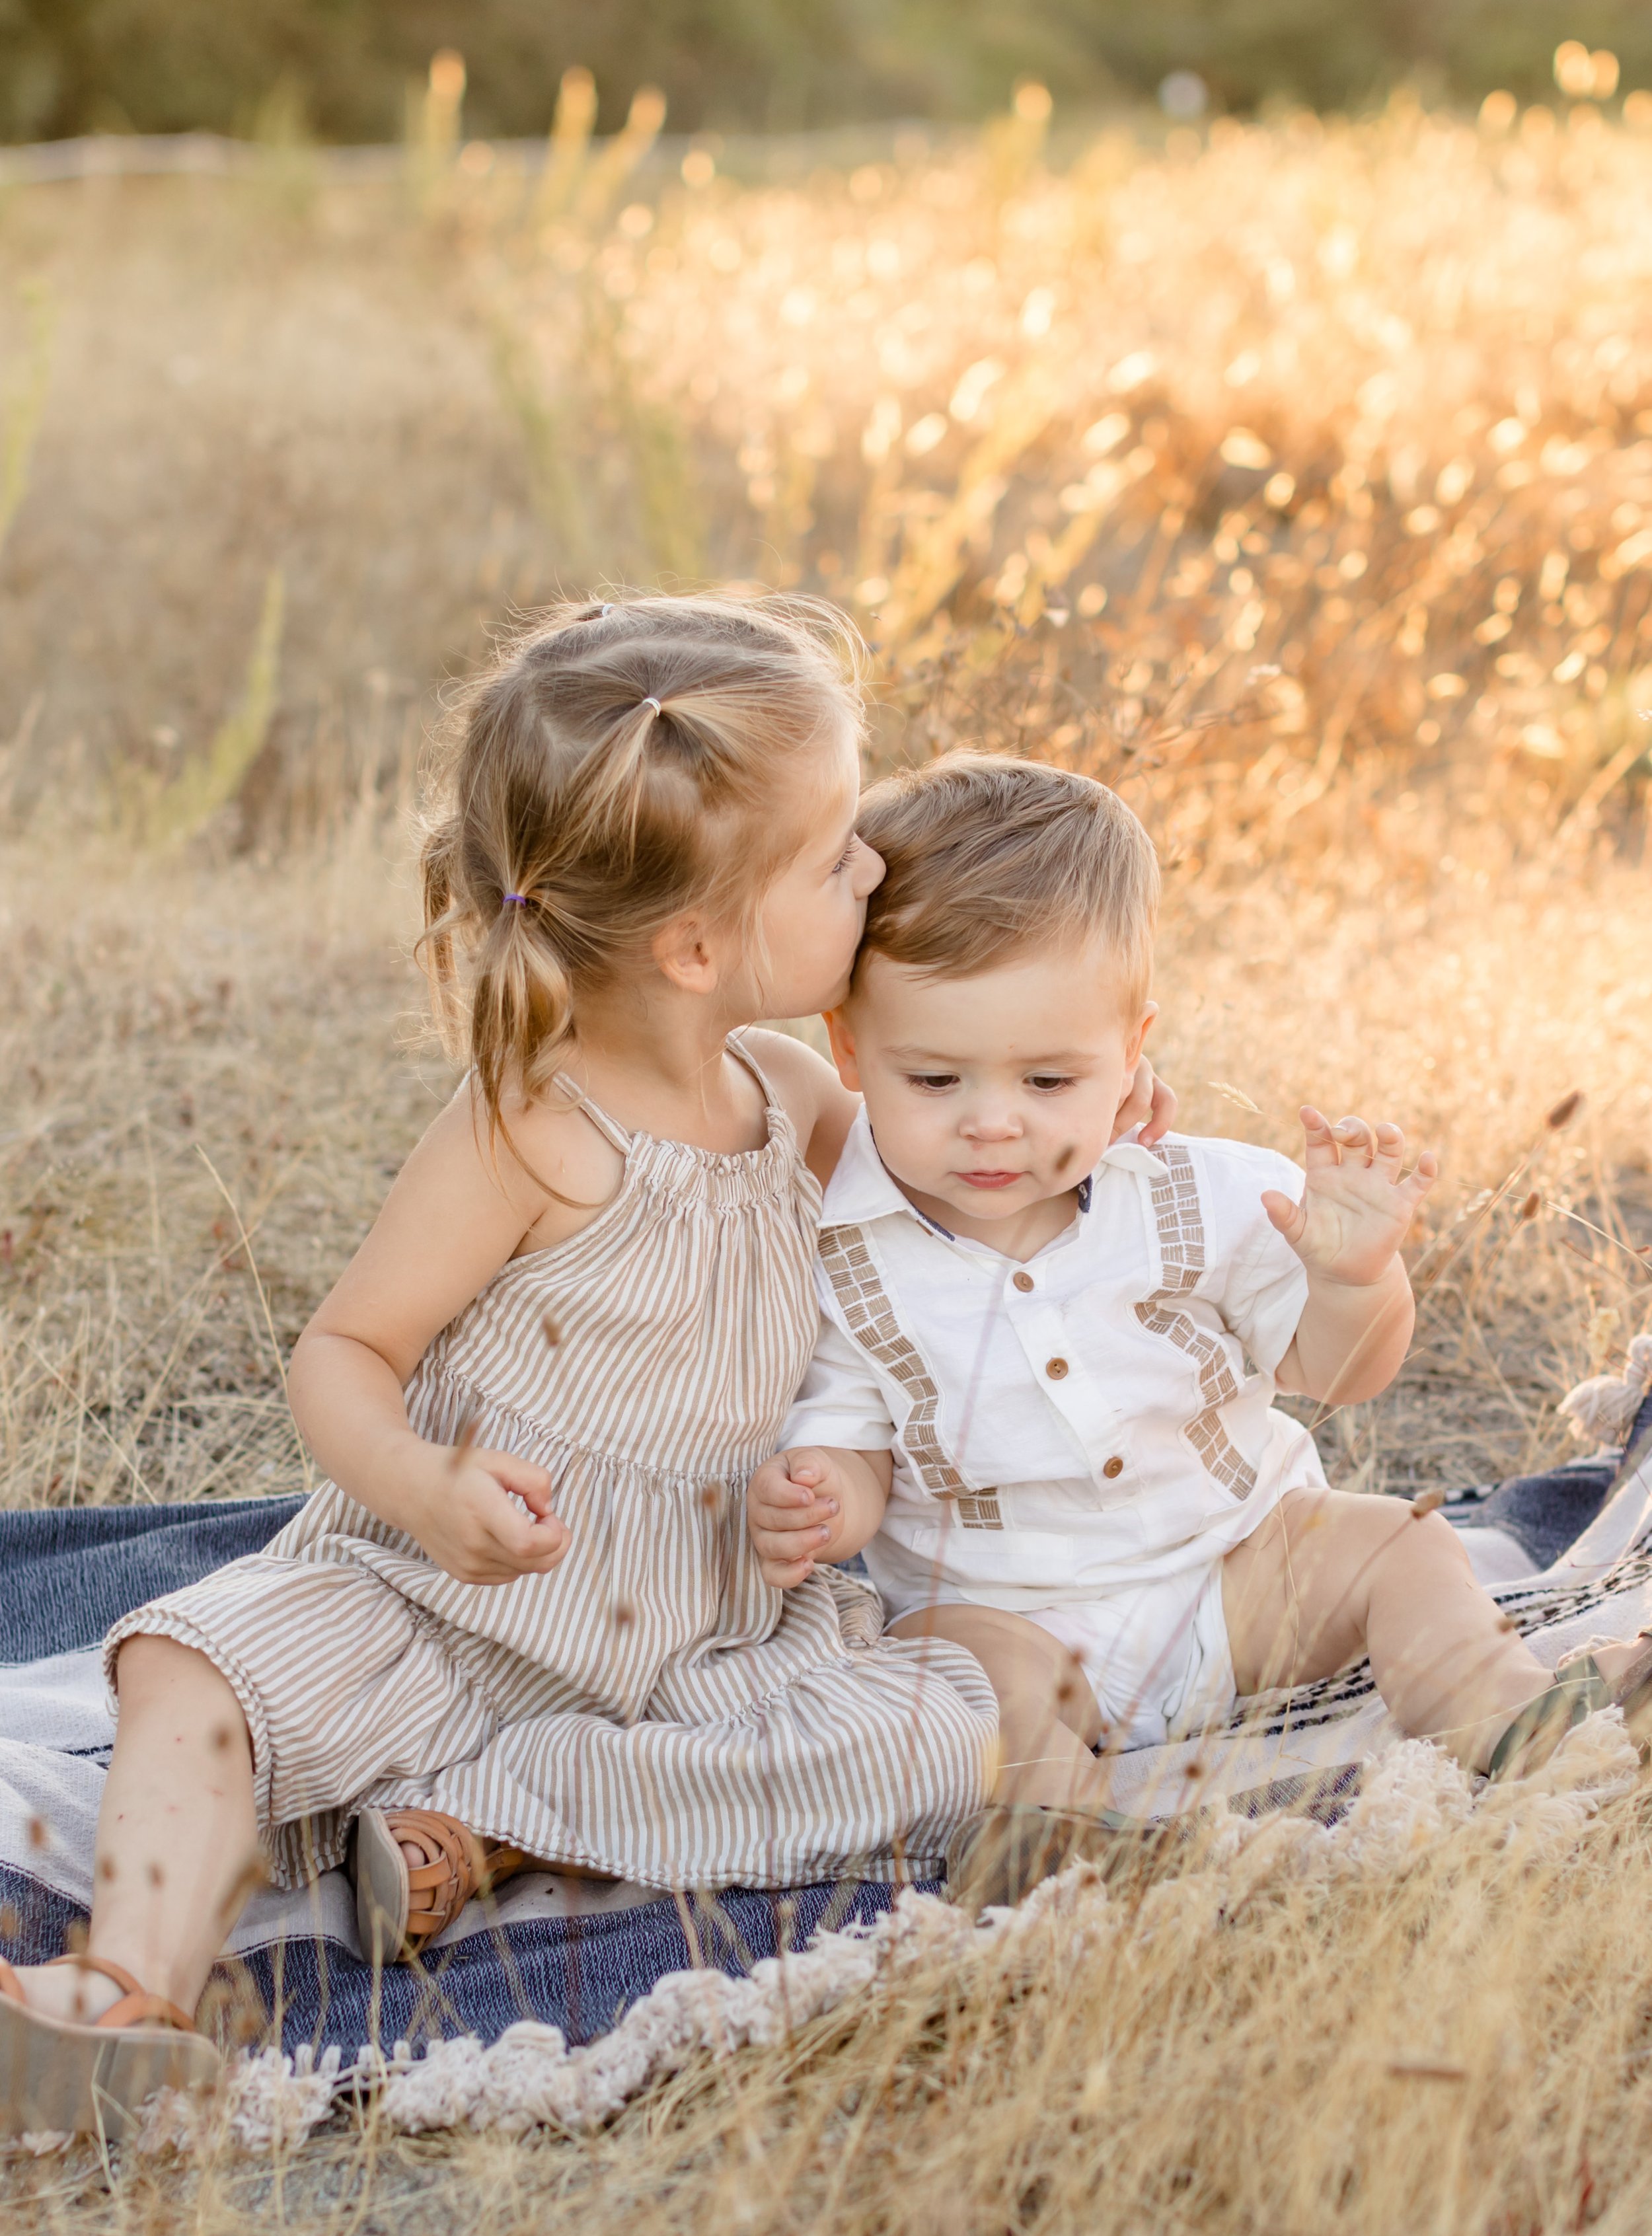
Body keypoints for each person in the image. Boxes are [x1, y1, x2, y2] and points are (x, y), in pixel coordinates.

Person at [0, 600, 1167, 2129]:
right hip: (450, 1605)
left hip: (705, 1632)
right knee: (186, 1664)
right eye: (833, 861)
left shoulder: (794, 1095)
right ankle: (122, 1990)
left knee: (943, 1721)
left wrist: (1107, 1141)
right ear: (695, 945)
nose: (873, 869)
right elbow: (345, 1352)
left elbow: (964, 1199)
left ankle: (479, 1828)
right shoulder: (527, 1131)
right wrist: (421, 1486)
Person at [745, 753, 1652, 1908]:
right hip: (1014, 1617)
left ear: (1133, 1052)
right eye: (934, 1079)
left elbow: (1341, 1372)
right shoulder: (845, 1248)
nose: (992, 1123)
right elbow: (857, 1440)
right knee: (953, 1669)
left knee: (1399, 1543)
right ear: (850, 1051)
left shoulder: (1197, 1196)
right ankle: (1064, 1837)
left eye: (1048, 1079)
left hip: (1235, 1575)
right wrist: (825, 1492)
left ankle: (1515, 1720)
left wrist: (1351, 1276)